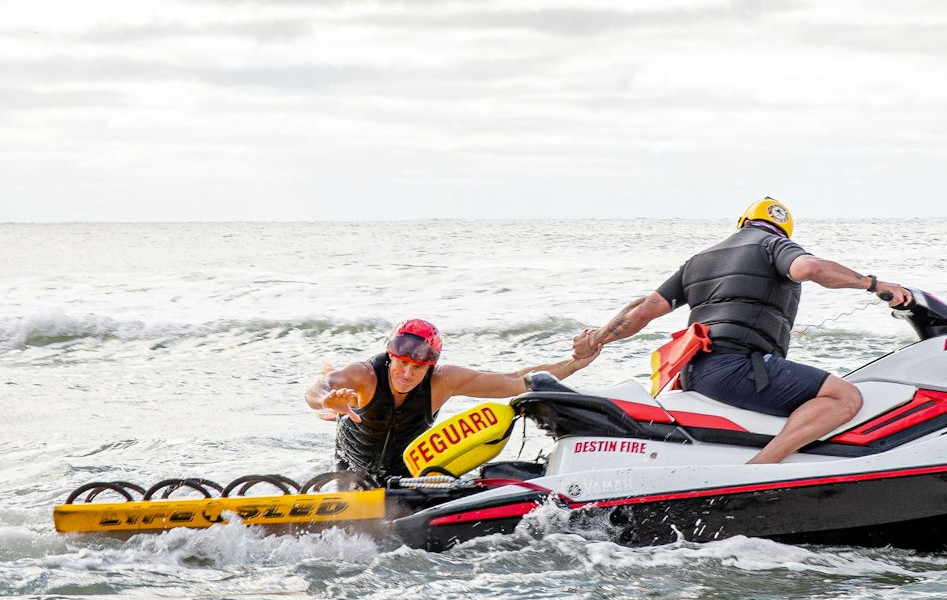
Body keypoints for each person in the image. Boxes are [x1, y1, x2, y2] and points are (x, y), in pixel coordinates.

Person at [572, 198, 914, 464]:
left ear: (742, 223)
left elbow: (645, 308)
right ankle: (763, 468)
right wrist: (873, 283)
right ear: (784, 230)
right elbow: (809, 267)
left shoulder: (698, 260)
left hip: (695, 371)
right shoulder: (773, 245)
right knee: (845, 396)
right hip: (737, 368)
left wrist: (598, 338)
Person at [307, 319, 593, 486]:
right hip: (352, 468)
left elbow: (515, 379)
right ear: (390, 356)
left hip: (406, 474)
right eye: (402, 364)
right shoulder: (364, 375)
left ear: (430, 366)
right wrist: (327, 400)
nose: (407, 374)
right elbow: (319, 388)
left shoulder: (443, 380)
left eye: (417, 368)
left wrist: (575, 364)